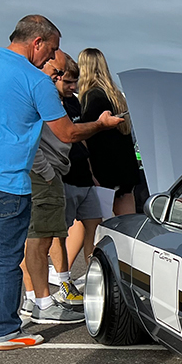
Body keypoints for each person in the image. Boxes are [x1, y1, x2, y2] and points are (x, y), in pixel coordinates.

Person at [0, 15, 122, 349]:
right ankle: (5, 331)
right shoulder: (34, 80)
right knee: (6, 262)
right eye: (50, 51)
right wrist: (101, 124)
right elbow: (66, 132)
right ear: (36, 42)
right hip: (7, 182)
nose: (51, 59)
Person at [17, 49, 85, 325]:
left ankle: (35, 299)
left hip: (48, 173)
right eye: (57, 75)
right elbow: (30, 136)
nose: (61, 81)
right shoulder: (35, 89)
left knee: (42, 237)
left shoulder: (36, 88)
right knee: (38, 239)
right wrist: (46, 173)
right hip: (42, 174)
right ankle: (40, 302)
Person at [78, 47, 144, 215]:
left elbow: (86, 133)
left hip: (103, 168)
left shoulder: (91, 97)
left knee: (89, 223)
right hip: (125, 166)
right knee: (127, 222)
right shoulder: (117, 96)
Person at [56, 54, 104, 275]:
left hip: (83, 175)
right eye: (68, 82)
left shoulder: (74, 101)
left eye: (75, 81)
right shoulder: (50, 102)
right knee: (56, 233)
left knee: (94, 228)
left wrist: (91, 171)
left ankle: (92, 278)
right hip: (62, 176)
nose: (73, 87)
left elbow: (81, 136)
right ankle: (61, 278)